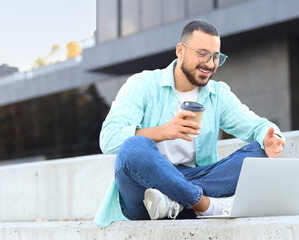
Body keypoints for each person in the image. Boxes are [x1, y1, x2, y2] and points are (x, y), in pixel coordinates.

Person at [94, 19, 286, 227]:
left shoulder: (218, 94)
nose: (210, 64)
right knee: (133, 148)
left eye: (216, 57)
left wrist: (271, 137)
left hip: (192, 176)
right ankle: (203, 205)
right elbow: (109, 139)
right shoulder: (142, 84)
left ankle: (173, 202)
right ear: (180, 51)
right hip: (143, 193)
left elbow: (257, 126)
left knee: (259, 153)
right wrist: (164, 131)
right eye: (202, 54)